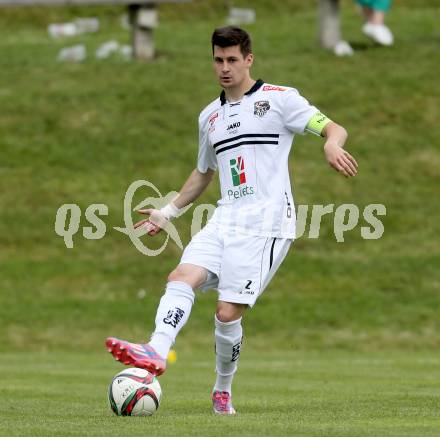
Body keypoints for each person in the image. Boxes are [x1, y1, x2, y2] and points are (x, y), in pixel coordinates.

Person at [106, 26, 358, 415]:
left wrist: (330, 143)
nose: (224, 68)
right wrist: (167, 211)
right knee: (180, 277)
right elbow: (203, 173)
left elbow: (333, 127)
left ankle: (222, 389)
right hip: (225, 218)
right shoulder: (209, 116)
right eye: (218, 60)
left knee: (227, 314)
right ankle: (155, 351)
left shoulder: (280, 100)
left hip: (267, 224)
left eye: (232, 60)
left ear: (248, 59)